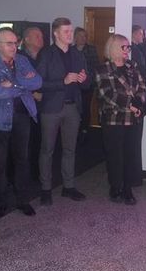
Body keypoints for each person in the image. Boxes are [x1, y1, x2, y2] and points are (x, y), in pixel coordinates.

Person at [0, 27, 42, 218]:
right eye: (9, 43)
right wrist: (23, 84)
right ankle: (1, 203)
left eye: (15, 43)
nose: (14, 47)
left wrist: (12, 83)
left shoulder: (22, 60)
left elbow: (38, 82)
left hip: (22, 116)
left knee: (22, 160)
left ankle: (22, 200)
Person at [36, 18, 90, 206]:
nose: (70, 34)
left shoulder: (77, 54)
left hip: (72, 107)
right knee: (47, 150)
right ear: (56, 33)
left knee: (70, 149)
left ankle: (69, 186)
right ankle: (45, 188)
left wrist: (83, 79)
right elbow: (38, 84)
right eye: (66, 31)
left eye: (71, 31)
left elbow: (87, 84)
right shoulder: (46, 54)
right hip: (51, 108)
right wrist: (63, 82)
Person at [95, 34, 146, 205]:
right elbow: (108, 94)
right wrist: (131, 104)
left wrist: (139, 105)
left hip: (133, 118)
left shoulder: (133, 66)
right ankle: (115, 186)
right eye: (124, 47)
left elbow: (142, 86)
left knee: (131, 154)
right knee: (115, 155)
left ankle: (127, 188)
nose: (127, 50)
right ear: (114, 48)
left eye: (128, 47)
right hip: (113, 119)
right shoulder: (102, 69)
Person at [18, 26, 44, 180]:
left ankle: (36, 172)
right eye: (37, 36)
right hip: (24, 105)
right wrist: (33, 93)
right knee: (22, 142)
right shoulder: (19, 57)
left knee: (38, 140)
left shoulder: (45, 56)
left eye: (41, 35)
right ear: (26, 39)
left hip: (43, 104)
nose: (41, 38)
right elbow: (17, 80)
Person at [73, 27, 100, 138]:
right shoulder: (70, 50)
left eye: (85, 36)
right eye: (81, 36)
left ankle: (84, 129)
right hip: (73, 85)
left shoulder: (91, 49)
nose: (83, 38)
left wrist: (89, 78)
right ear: (75, 37)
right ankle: (75, 128)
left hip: (88, 84)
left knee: (85, 107)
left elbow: (96, 67)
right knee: (75, 107)